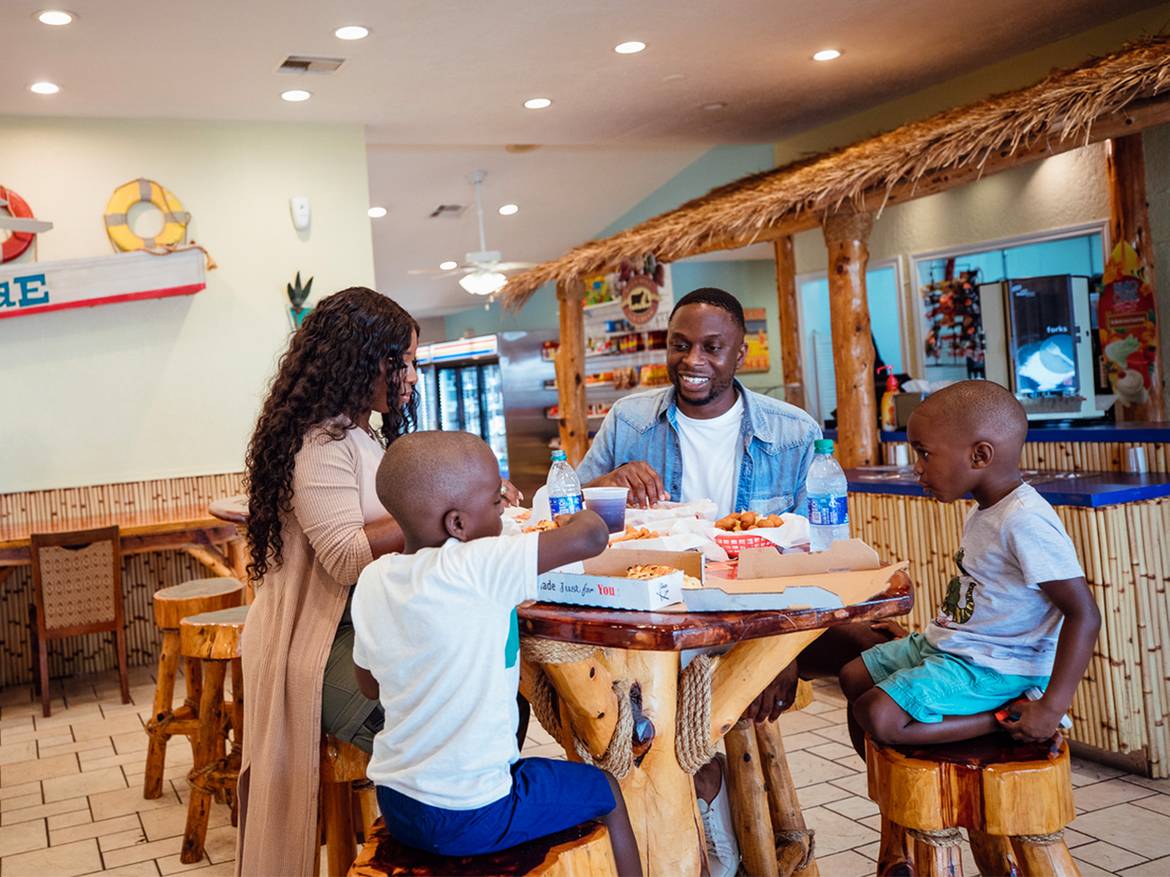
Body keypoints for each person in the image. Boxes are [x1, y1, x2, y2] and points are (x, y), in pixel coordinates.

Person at [579, 286, 882, 876]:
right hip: (657, 614)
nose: (692, 360)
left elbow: (825, 555)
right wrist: (609, 484)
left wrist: (779, 647)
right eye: (680, 345)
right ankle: (703, 828)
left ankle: (710, 824)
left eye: (711, 348)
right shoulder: (630, 421)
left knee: (664, 713)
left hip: (753, 620)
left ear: (741, 352)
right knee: (632, 714)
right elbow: (569, 511)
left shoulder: (791, 432)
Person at [351, 431, 642, 875]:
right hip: (474, 811)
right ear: (457, 525)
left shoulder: (374, 578)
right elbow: (591, 536)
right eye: (495, 501)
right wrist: (573, 510)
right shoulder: (479, 564)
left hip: (398, 803)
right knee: (605, 789)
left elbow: (369, 685)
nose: (503, 508)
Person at [235, 287, 420, 876]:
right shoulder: (321, 443)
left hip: (359, 628)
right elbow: (344, 557)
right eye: (403, 362)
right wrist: (436, 507)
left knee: (475, 698)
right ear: (363, 360)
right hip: (313, 643)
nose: (413, 377)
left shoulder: (363, 434)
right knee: (425, 717)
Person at [840, 381, 1101, 754]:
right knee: (853, 676)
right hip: (959, 649)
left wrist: (1051, 707)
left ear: (980, 455)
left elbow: (1084, 614)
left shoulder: (1025, 520)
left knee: (879, 715)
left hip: (999, 667)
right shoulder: (984, 510)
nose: (917, 468)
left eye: (924, 454)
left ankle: (1004, 717)